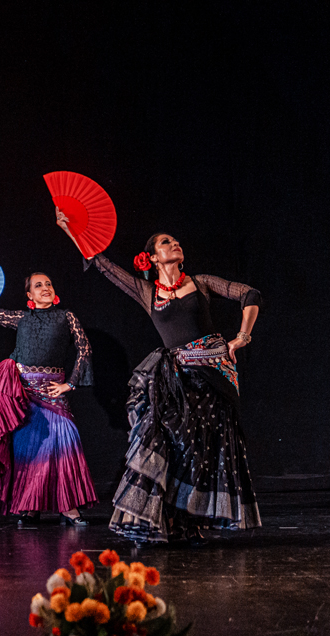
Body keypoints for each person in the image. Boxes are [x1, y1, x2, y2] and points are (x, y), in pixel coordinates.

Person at [73, 217, 262, 544]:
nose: (174, 244)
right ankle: (168, 519)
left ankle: (191, 522)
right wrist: (70, 228)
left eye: (175, 241)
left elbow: (249, 293)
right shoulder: (147, 292)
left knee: (203, 449)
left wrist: (241, 337)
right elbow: (101, 264)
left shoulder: (201, 283)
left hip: (213, 375)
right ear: (153, 258)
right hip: (174, 378)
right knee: (168, 442)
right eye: (165, 242)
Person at [0, 272, 96, 524]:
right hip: (23, 394)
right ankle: (30, 507)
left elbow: (84, 348)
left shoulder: (66, 316)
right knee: (29, 450)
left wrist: (71, 384)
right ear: (29, 295)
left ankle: (68, 507)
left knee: (64, 442)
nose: (45, 288)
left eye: (49, 283)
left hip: (53, 390)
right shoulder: (21, 318)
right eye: (38, 285)